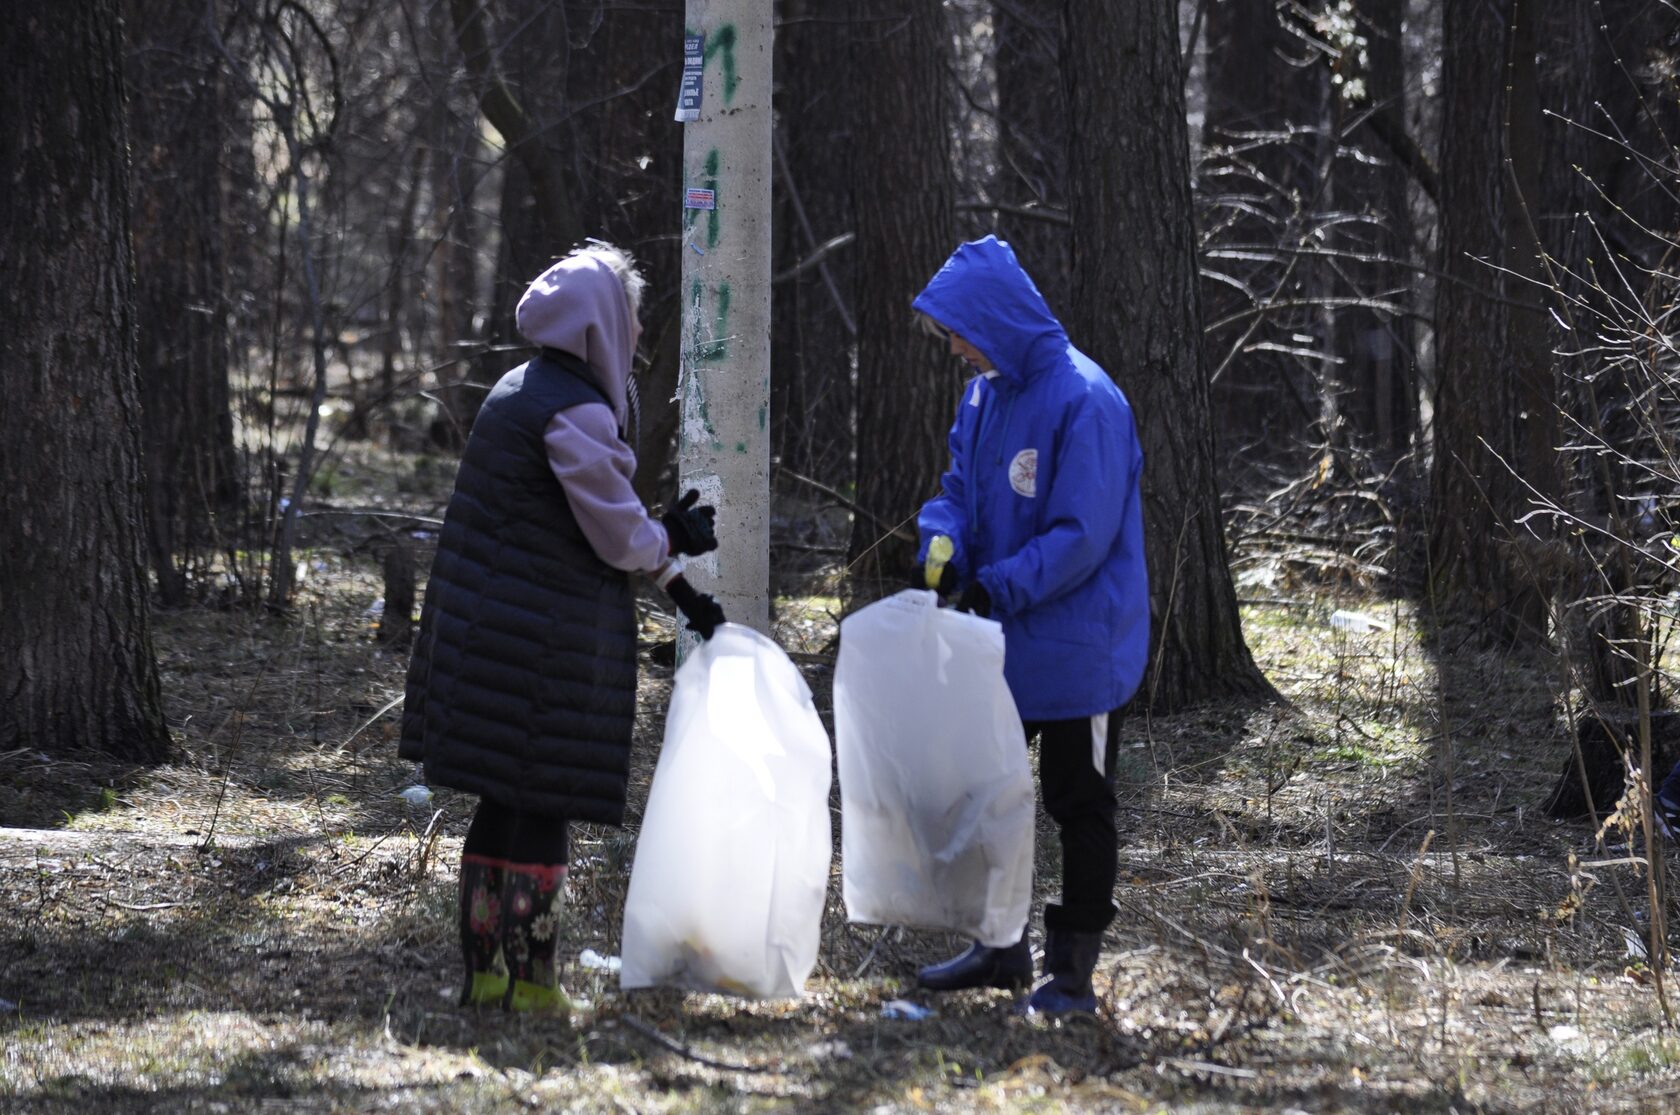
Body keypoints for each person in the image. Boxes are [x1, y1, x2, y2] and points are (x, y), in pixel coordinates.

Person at [399, 243, 726, 1012]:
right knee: (541, 807)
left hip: (489, 634)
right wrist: (671, 536)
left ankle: (483, 975)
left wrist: (674, 579)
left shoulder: (517, 388)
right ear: (604, 322)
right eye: (633, 318)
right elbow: (615, 532)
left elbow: (569, 518)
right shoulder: (573, 407)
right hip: (538, 647)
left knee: (498, 803)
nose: (639, 334)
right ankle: (537, 984)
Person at [907, 236, 1148, 1015]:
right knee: (988, 793)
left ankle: (1072, 970)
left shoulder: (1087, 399)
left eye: (958, 327)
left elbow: (1082, 535)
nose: (952, 345)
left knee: (1078, 798)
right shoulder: (984, 394)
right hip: (1006, 642)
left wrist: (994, 588)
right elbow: (956, 492)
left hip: (1083, 647)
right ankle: (1000, 947)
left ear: (994, 318)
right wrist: (940, 543)